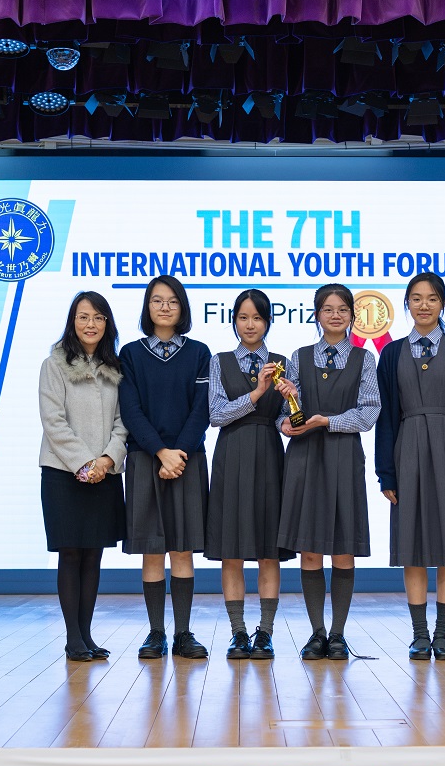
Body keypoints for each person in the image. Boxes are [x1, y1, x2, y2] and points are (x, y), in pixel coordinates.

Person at [375, 272, 445, 660]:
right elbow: (386, 417)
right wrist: (386, 472)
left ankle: (443, 634)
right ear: (407, 304)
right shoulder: (391, 354)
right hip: (407, 452)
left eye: (432, 298)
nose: (424, 305)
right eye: (417, 298)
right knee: (413, 546)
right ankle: (420, 634)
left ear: (442, 304)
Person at [275, 284, 381, 660]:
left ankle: (338, 635)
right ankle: (316, 633)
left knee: (343, 551)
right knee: (310, 551)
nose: (335, 315)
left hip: (344, 458)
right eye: (327, 309)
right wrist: (287, 417)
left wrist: (328, 421)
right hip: (304, 458)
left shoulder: (364, 359)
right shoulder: (298, 357)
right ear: (316, 314)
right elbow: (289, 413)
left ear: (352, 315)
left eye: (342, 309)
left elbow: (368, 412)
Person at [118, 275, 212, 659]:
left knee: (182, 550)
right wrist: (160, 452)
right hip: (145, 460)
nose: (165, 307)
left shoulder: (199, 352)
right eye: (157, 300)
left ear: (182, 307)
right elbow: (130, 410)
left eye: (172, 301)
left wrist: (178, 454)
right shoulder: (131, 354)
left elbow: (202, 409)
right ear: (147, 306)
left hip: (187, 460)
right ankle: (156, 633)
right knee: (152, 551)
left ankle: (183, 634)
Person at [38, 292, 128, 662]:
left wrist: (106, 460)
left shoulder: (116, 367)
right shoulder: (54, 364)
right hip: (63, 473)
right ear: (72, 322)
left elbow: (124, 421)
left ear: (107, 323)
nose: (90, 324)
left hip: (105, 473)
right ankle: (72, 637)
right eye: (83, 317)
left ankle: (87, 635)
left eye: (98, 317)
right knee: (71, 553)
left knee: (93, 555)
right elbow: (53, 421)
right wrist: (84, 463)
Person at [205, 289, 292, 660]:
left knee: (269, 551)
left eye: (257, 317)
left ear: (268, 322)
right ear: (234, 321)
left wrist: (293, 410)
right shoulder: (219, 361)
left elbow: (286, 417)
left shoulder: (283, 362)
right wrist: (256, 393)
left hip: (270, 455)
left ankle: (265, 633)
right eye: (243, 317)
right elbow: (216, 415)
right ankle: (238, 632)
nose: (250, 324)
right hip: (231, 454)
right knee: (232, 551)